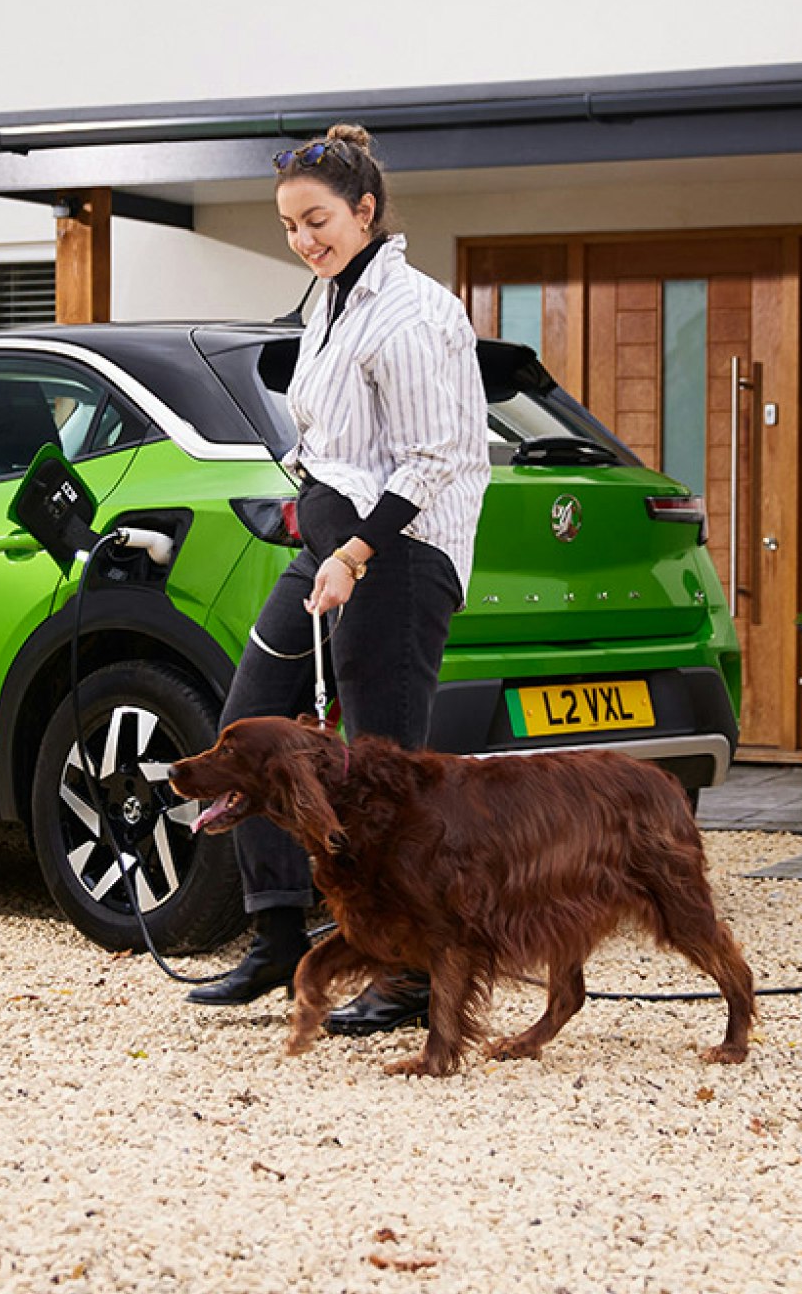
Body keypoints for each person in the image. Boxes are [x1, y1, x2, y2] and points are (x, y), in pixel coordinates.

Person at [187, 123, 491, 1035]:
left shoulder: (416, 311)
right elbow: (338, 440)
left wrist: (357, 551)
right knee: (255, 724)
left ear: (365, 211)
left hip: (398, 559)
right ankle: (281, 937)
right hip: (328, 553)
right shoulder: (329, 297)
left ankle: (408, 972)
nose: (303, 239)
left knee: (385, 771)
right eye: (289, 225)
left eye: (316, 219)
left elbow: (436, 454)